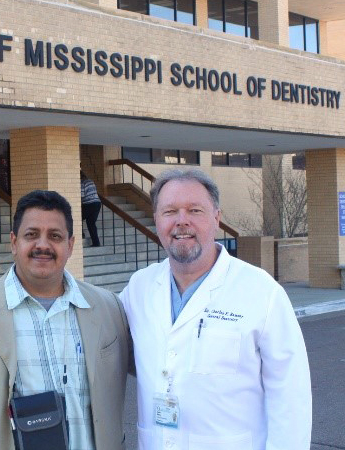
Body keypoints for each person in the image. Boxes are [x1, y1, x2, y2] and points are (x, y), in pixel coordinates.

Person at [0, 190, 129, 450]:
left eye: (55, 236)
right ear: (13, 243)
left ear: (70, 245)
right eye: (31, 235)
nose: (43, 245)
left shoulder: (108, 308)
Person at [120, 169, 312, 450]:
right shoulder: (139, 287)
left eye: (195, 210)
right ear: (157, 220)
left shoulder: (262, 292)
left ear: (217, 218)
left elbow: (290, 396)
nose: (181, 221)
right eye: (169, 211)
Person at [80, 172, 101, 247]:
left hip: (89, 204)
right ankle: (96, 243)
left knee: (78, 217)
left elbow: (81, 196)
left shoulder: (82, 183)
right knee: (91, 223)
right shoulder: (90, 181)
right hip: (97, 203)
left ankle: (81, 234)